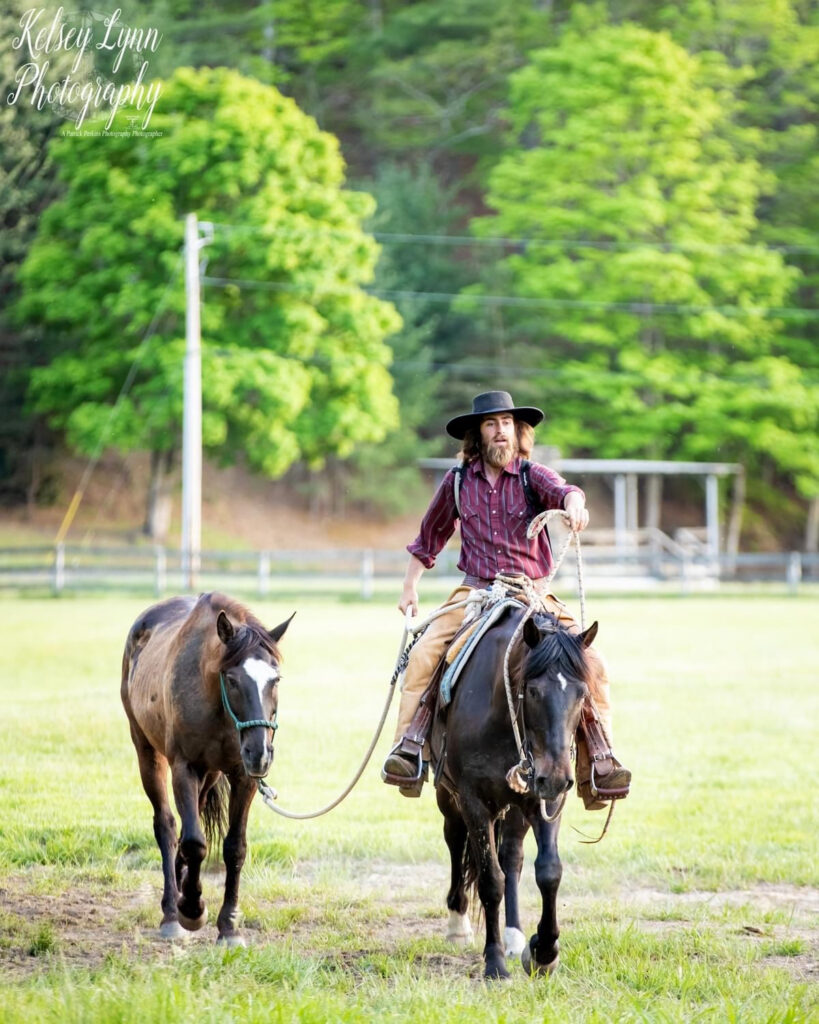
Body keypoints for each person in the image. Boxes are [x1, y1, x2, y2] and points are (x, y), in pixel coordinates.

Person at [381, 390, 631, 807]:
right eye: (490, 424)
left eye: (506, 424)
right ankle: (410, 747)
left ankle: (599, 761)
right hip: (476, 591)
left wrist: (574, 504)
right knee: (425, 652)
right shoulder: (457, 481)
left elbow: (566, 491)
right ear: (477, 435)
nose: (500, 432)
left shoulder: (534, 476)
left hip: (534, 594)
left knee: (592, 663)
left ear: (519, 432)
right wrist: (410, 586)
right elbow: (429, 537)